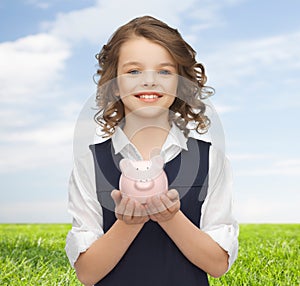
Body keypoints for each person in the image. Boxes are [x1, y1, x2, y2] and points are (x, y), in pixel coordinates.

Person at [65, 15, 239, 286]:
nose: (149, 81)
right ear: (114, 81)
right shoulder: (90, 163)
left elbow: (217, 264)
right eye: (134, 71)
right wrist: (129, 223)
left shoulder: (210, 159)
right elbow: (87, 273)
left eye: (164, 71)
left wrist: (170, 218)